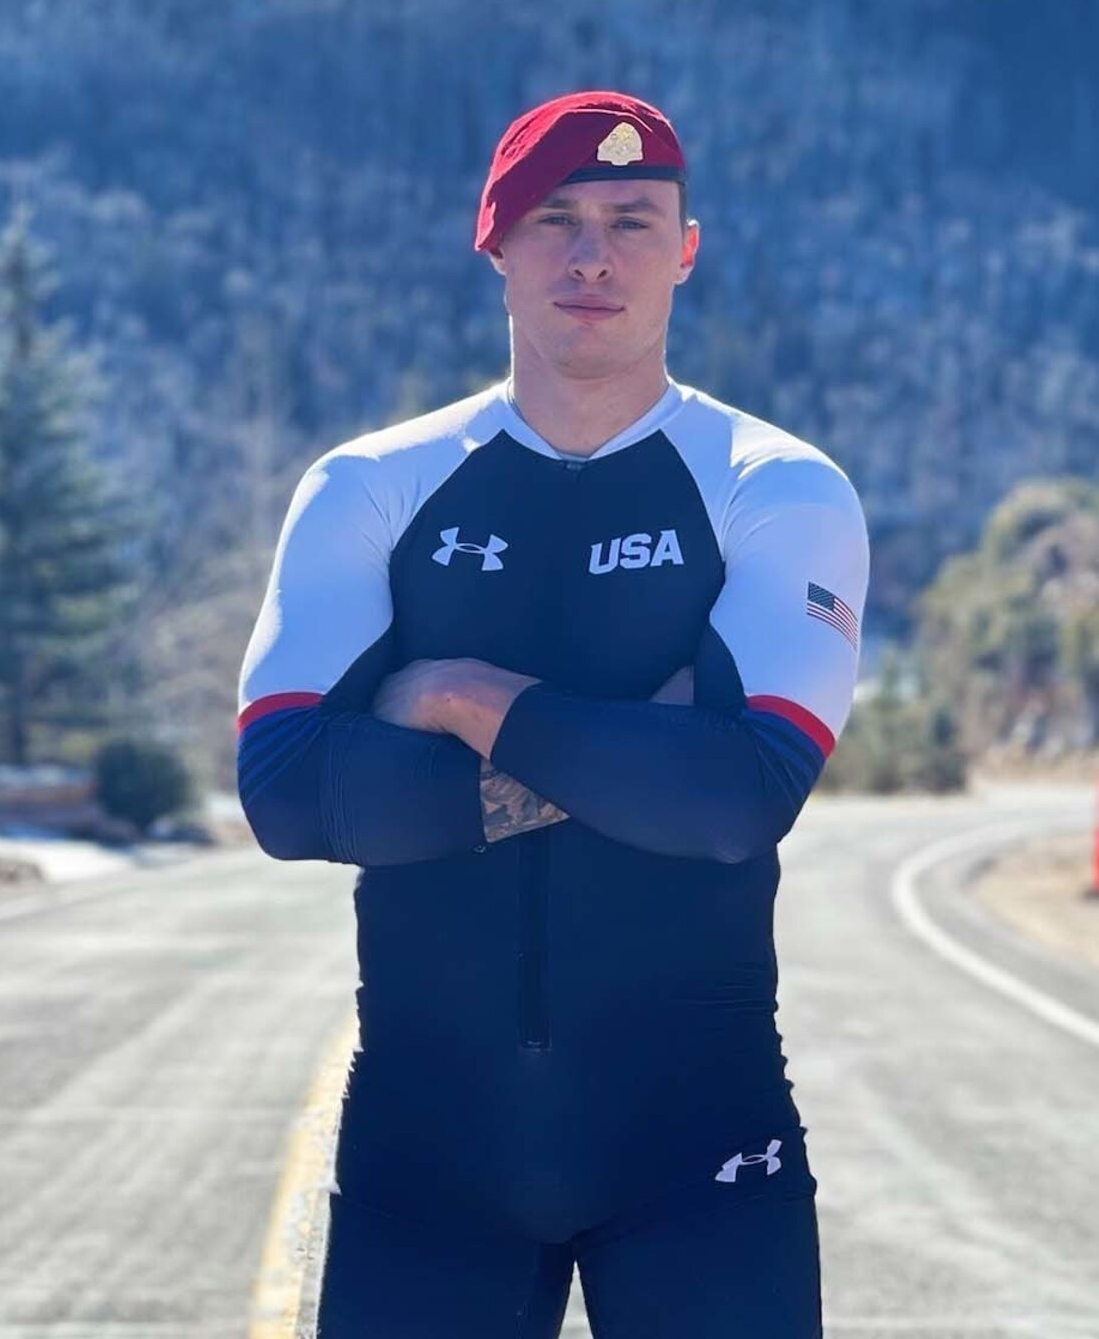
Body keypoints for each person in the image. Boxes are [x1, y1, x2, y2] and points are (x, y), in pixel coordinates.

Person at [234, 89, 868, 1337]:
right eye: (556, 219)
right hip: (426, 1160)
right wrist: (626, 742)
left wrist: (465, 696)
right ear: (497, 246)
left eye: (634, 220)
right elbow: (290, 792)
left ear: (686, 249)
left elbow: (735, 800)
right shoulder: (371, 486)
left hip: (701, 1151)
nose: (593, 254)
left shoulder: (775, 489)